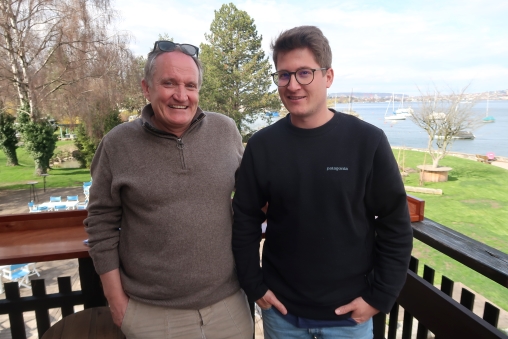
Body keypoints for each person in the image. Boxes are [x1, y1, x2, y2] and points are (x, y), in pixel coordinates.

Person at [232, 26, 413, 339]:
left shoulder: (367, 143)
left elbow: (395, 224)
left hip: (350, 319)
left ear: (328, 77)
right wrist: (254, 284)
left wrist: (379, 296)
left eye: (305, 73)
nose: (293, 85)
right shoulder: (263, 147)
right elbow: (245, 218)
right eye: (284, 75)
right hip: (282, 316)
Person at [84, 40, 253, 339]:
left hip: (229, 308)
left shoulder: (225, 131)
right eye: (169, 83)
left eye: (191, 85)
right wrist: (117, 303)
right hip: (151, 314)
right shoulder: (116, 144)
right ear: (146, 88)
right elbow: (100, 225)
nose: (181, 95)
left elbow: (253, 199)